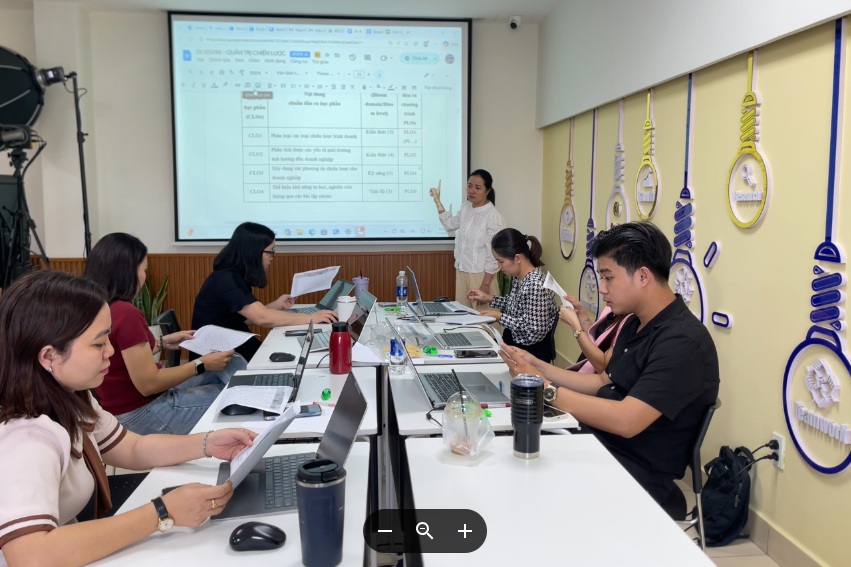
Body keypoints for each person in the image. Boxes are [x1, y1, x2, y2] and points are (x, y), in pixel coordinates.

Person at [0, 271, 257, 567]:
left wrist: (207, 443)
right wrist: (163, 512)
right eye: (98, 344)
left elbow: (132, 448)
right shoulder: (25, 434)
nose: (111, 351)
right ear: (49, 357)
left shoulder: (69, 396)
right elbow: (30, 556)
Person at [500, 222, 719, 515]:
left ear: (643, 276)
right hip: (602, 441)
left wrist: (546, 390)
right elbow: (603, 381)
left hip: (634, 467)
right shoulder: (634, 322)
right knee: (510, 445)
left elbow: (627, 420)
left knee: (522, 475)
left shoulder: (682, 342)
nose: (601, 289)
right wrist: (537, 366)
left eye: (608, 277)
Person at [84, 233, 244, 435]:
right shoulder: (126, 313)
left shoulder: (97, 307)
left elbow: (121, 358)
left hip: (123, 409)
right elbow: (149, 384)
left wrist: (162, 342)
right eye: (144, 269)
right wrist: (201, 363)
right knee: (236, 395)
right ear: (128, 272)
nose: (144, 276)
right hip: (145, 413)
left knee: (229, 364)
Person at [192, 222, 336, 361]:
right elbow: (262, 318)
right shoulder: (227, 280)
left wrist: (277, 305)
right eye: (270, 252)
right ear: (253, 252)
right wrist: (311, 318)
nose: (271, 258)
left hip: (230, 347)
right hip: (217, 359)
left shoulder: (233, 275)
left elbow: (246, 319)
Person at [468, 228, 559, 361]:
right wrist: (488, 298)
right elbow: (516, 303)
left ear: (517, 258)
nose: (499, 266)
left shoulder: (536, 285)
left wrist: (500, 317)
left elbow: (534, 331)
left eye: (501, 261)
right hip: (514, 342)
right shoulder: (520, 277)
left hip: (530, 353)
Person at [430, 169, 504, 308]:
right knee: (463, 315)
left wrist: (485, 284)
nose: (472, 191)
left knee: (484, 317)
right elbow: (450, 224)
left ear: (487, 191)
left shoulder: (493, 216)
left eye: (478, 188)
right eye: (469, 186)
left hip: (482, 275)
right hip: (462, 271)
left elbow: (493, 254)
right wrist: (438, 202)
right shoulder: (466, 207)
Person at [560, 293, 631, 373]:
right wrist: (581, 312)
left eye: (609, 281)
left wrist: (575, 326)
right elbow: (597, 341)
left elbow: (603, 368)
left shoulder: (633, 322)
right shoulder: (611, 308)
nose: (601, 290)